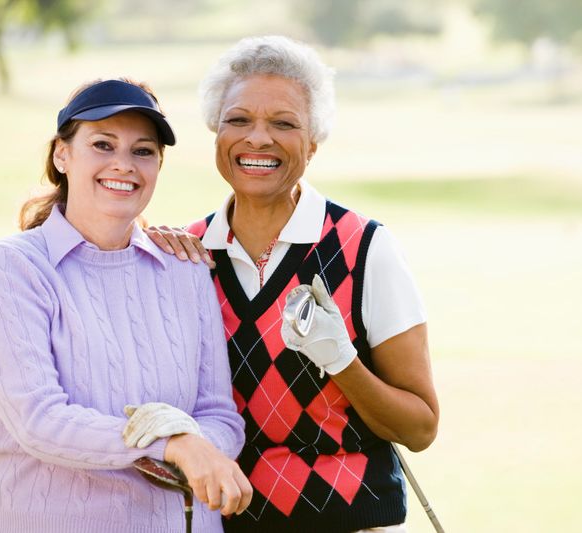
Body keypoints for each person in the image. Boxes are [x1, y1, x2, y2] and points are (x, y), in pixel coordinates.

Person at [146, 36, 440, 533]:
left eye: (283, 124)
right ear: (217, 132)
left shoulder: (365, 248)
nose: (258, 139)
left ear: (312, 144)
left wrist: (342, 361)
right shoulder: (186, 254)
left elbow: (419, 427)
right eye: (239, 120)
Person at [0, 78, 252, 533]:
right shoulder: (11, 267)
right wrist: (171, 443)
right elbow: (39, 419)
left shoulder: (186, 268)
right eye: (103, 144)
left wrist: (191, 446)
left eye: (143, 151)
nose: (124, 164)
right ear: (63, 154)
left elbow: (219, 416)